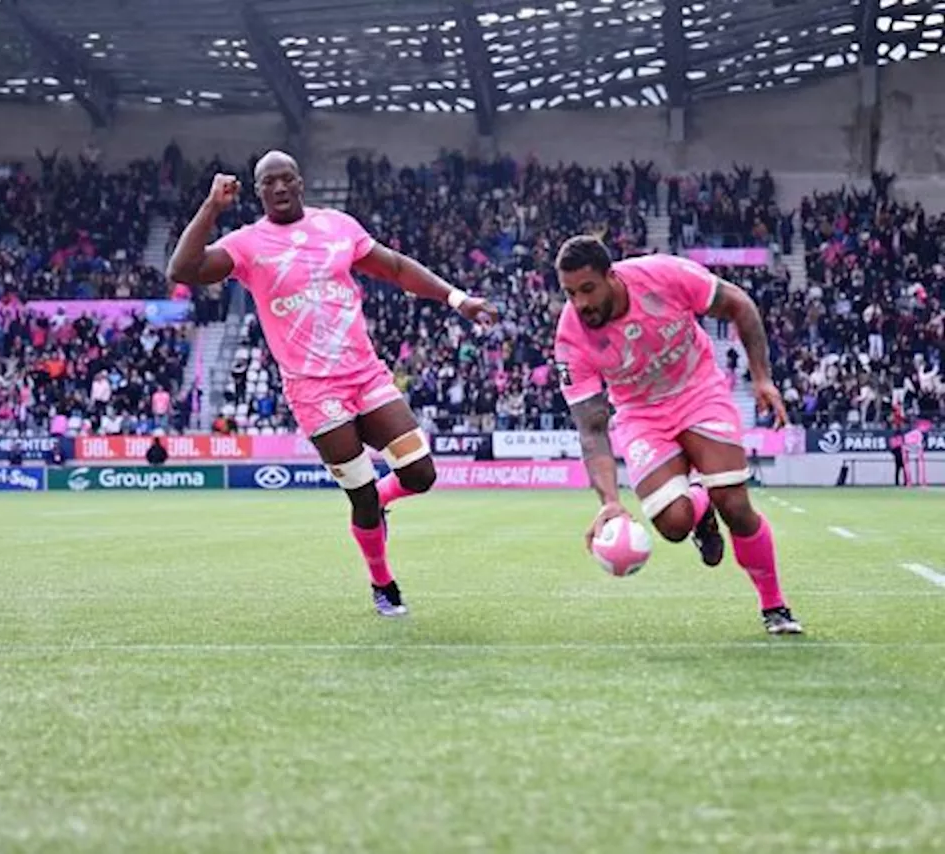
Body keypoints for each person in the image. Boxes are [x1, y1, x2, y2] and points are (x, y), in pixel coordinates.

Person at [168, 150, 498, 617]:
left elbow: (398, 268)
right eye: (269, 183)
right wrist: (211, 208)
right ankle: (383, 583)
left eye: (286, 179)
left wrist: (456, 298)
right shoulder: (246, 244)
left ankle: (385, 501)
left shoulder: (338, 226)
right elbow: (182, 271)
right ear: (258, 191)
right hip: (313, 391)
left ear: (301, 182)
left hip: (365, 374)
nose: (279, 188)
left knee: (420, 474)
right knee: (359, 496)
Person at [553, 235, 802, 635]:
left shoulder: (662, 275)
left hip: (698, 390)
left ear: (611, 277)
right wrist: (611, 503)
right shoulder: (571, 338)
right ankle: (700, 511)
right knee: (673, 524)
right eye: (570, 294)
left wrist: (761, 378)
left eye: (587, 289)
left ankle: (774, 606)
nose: (580, 303)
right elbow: (592, 427)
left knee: (735, 503)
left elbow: (740, 305)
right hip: (640, 415)